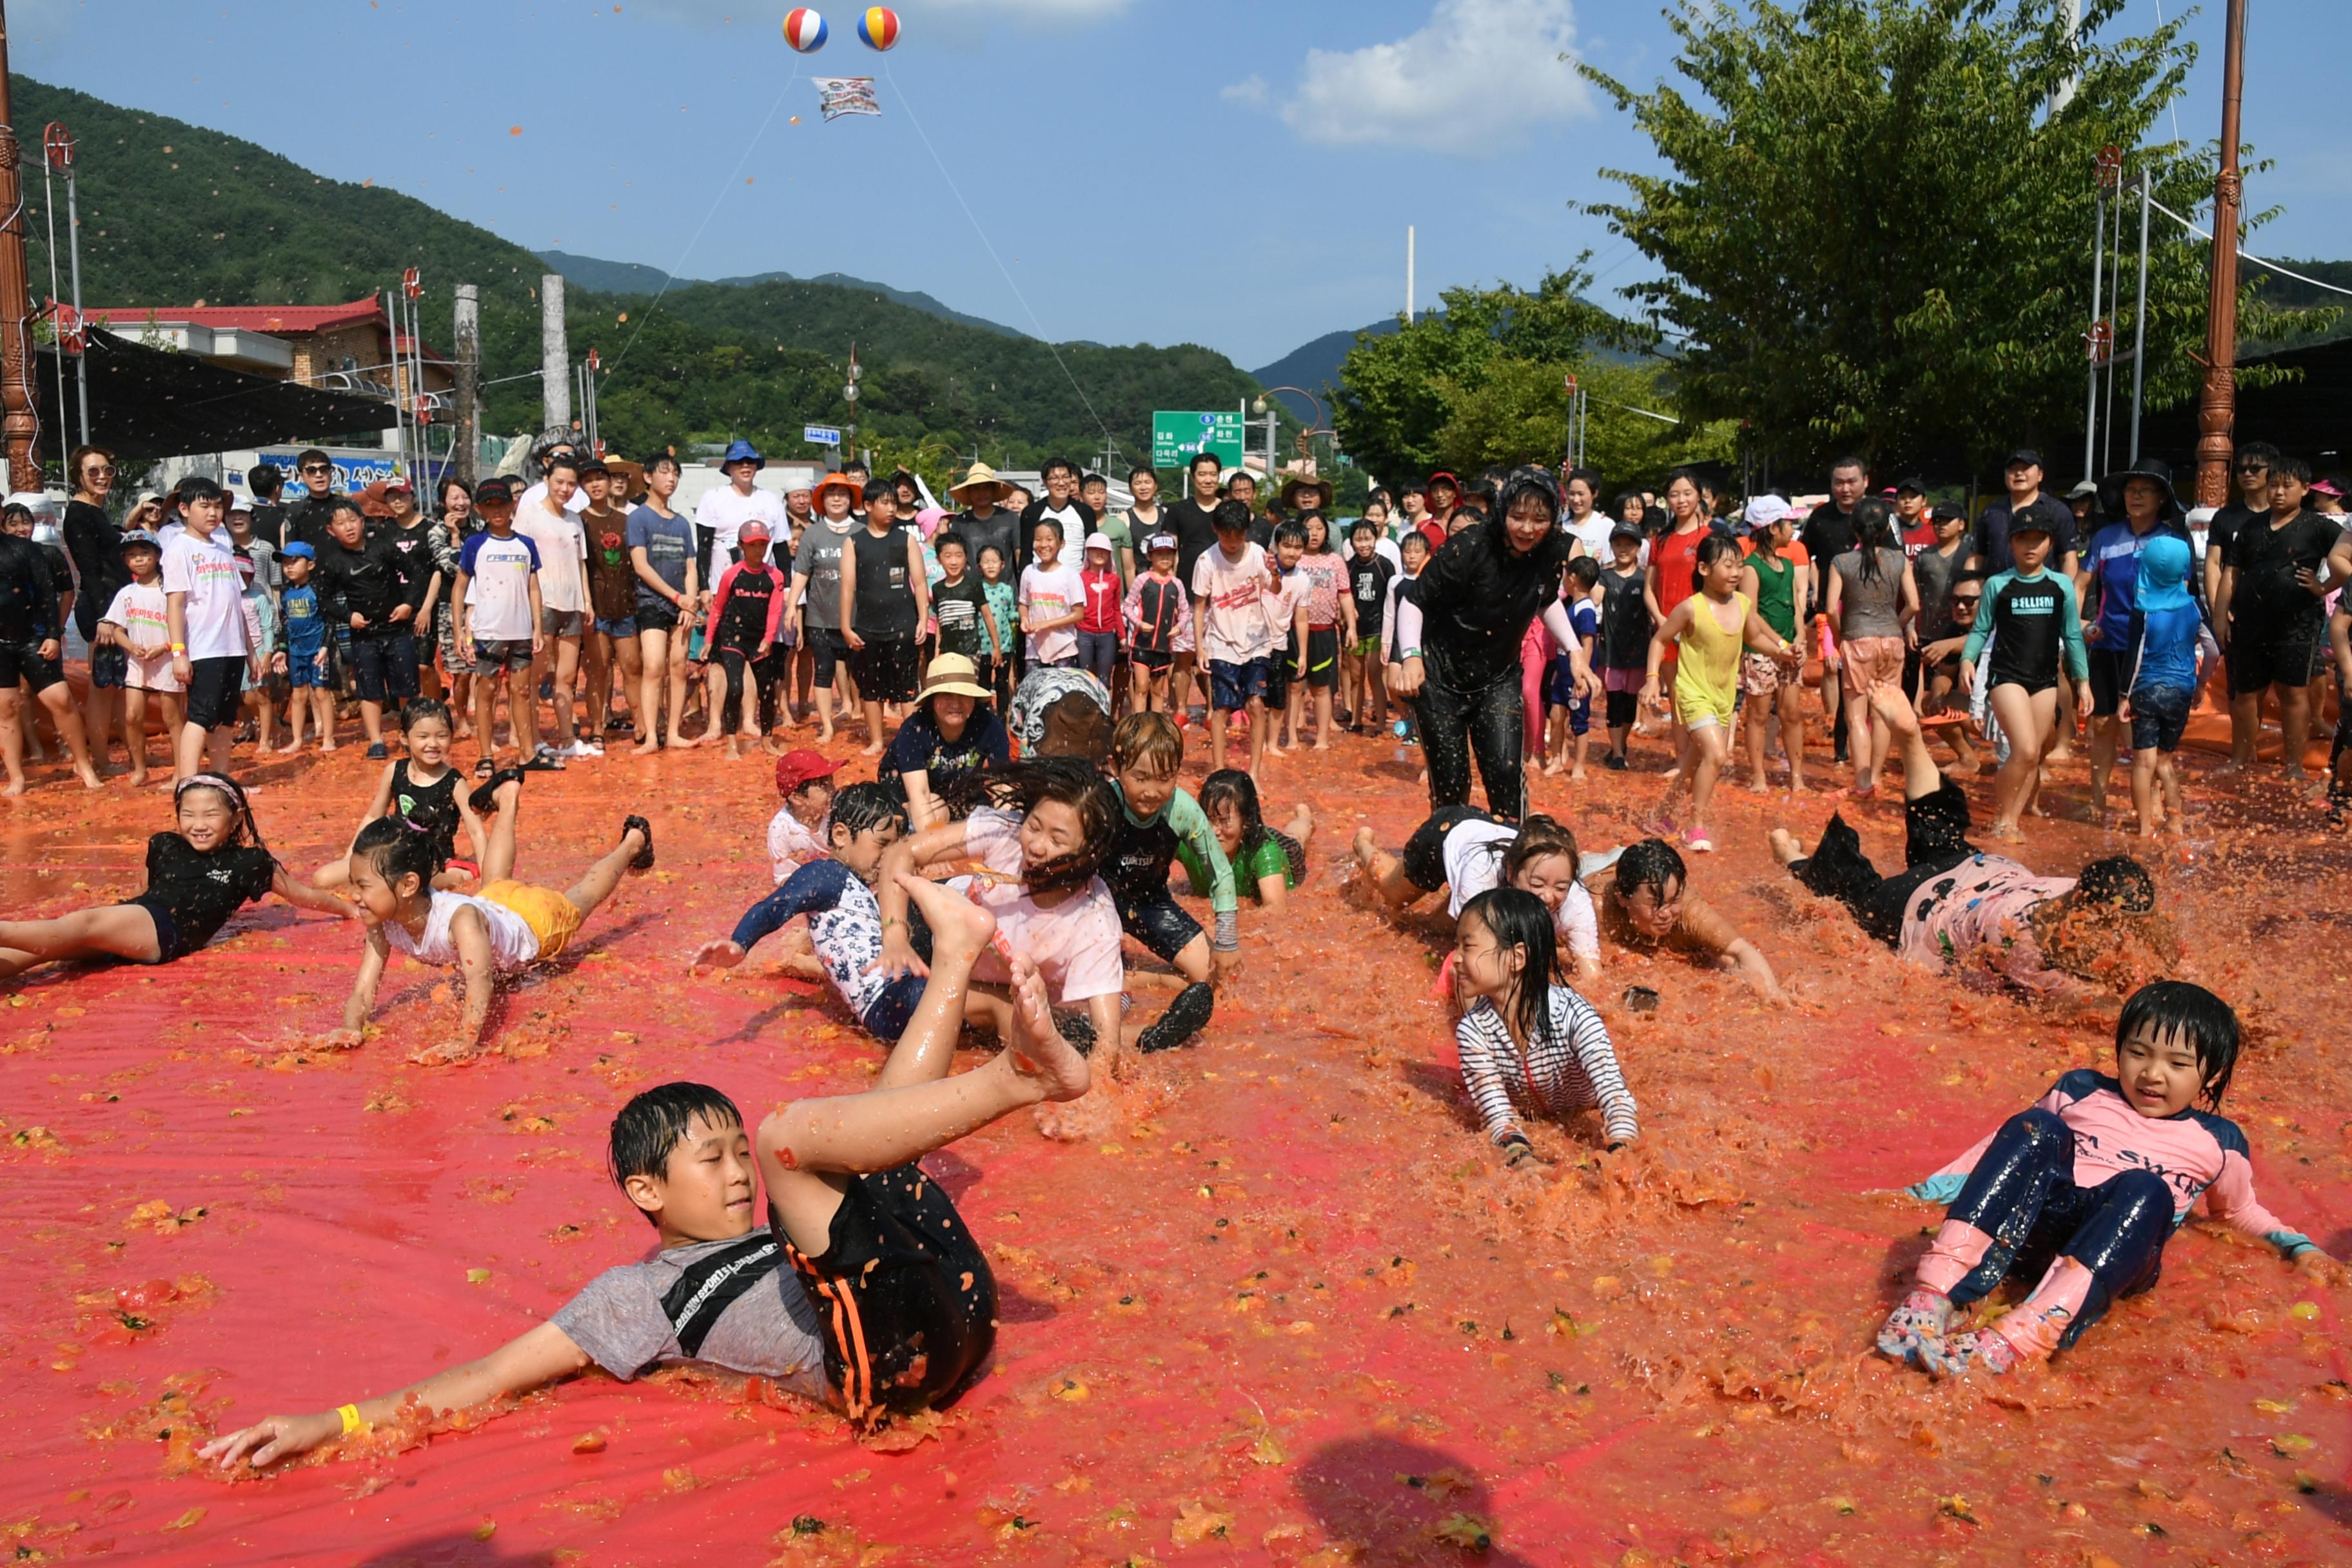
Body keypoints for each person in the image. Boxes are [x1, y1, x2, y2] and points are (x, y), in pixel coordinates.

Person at [204, 882, 1090, 1471]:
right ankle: (1018, 1078)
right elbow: (486, 1377)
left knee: (865, 1142)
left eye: (738, 1156)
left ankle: (959, 954)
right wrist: (338, 1423)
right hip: (888, 1372)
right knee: (796, 1134)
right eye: (713, 1162)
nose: (742, 1176)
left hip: (956, 1317)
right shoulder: (632, 1297)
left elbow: (863, 1142)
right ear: (646, 1193)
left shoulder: (774, 1229)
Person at [1874, 981, 2331, 1378]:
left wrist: (2300, 1248)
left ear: (2209, 1075)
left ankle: (2026, 1335)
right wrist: (1925, 1191)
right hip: (2034, 1230)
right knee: (2038, 1126)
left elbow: (2239, 1211)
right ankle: (1934, 1295)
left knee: (2146, 1187)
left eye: (2177, 1064)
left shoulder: (2219, 1141)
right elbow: (2007, 1147)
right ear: (2119, 1051)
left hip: (2117, 1256)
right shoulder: (2081, 1089)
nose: (2152, 1074)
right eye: (2138, 1054)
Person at [1773, 686, 2172, 1002]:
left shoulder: (2080, 895)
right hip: (1924, 907)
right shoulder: (2032, 952)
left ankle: (1912, 740)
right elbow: (2104, 1009)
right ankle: (1793, 857)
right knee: (1857, 897)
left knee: (1941, 836)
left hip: (1988, 872)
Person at [335, 778, 653, 1064]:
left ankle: (632, 843)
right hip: (493, 902)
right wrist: (350, 1029)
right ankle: (508, 797)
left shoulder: (460, 920)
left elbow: (479, 981)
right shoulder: (382, 922)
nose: (354, 895)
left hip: (538, 924)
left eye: (362, 886)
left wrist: (464, 1040)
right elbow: (363, 993)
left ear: (408, 885)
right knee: (495, 879)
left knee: (582, 897)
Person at [872, 758, 1127, 1055]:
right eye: (1034, 826)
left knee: (1048, 1035)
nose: (1037, 846)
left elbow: (1107, 1051)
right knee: (892, 1008)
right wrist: (895, 935)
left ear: (1088, 854)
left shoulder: (1096, 922)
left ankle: (1136, 1025)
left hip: (1001, 992)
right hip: (930, 933)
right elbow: (901, 853)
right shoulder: (1005, 832)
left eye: (1057, 840)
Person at [1388, 467, 1594, 821]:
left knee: (1506, 777)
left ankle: (1512, 864)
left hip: (1498, 680)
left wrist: (1575, 652)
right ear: (1502, 513)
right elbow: (1413, 600)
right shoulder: (1469, 546)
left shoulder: (1550, 552)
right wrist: (1410, 657)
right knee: (1451, 787)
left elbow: (1545, 600)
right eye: (1518, 517)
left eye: (1539, 519)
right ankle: (1449, 865)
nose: (1528, 529)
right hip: (1440, 681)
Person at [0, 774, 351, 977]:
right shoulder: (165, 844)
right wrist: (122, 918)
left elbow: (302, 895)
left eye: (211, 815)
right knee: (47, 953)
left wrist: (349, 910)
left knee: (80, 925)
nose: (198, 825)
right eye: (189, 815)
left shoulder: (251, 862)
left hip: (167, 933)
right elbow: (144, 890)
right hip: (139, 920)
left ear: (236, 817)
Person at [695, 782, 933, 1041]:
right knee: (963, 996)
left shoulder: (861, 889)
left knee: (980, 1002)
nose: (890, 858)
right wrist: (740, 943)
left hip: (898, 999)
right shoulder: (827, 874)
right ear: (841, 835)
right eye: (883, 844)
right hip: (891, 1002)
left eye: (896, 848)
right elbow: (776, 907)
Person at [1451, 888, 1637, 1168]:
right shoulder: (1473, 1030)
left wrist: (1619, 1155)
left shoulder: (1575, 1017)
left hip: (1582, 1106)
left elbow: (1614, 1095)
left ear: (1516, 957)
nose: (1455, 958)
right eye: (1457, 946)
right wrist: (1522, 1161)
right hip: (1529, 1114)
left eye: (1468, 946)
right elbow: (1498, 1117)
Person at [1641, 535, 1802, 853]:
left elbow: (1754, 636)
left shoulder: (1742, 605)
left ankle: (1660, 815)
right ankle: (1695, 825)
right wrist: (1651, 679)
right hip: (1692, 693)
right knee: (1717, 754)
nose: (1736, 573)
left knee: (1694, 763)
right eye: (1728, 565)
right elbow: (1660, 640)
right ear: (1703, 568)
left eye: (1739, 565)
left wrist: (1782, 653)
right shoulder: (1690, 608)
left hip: (1723, 696)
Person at [1099, 713, 1237, 1053]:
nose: (1151, 791)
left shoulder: (1182, 810)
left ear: (1177, 773)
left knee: (1215, 979)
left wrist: (1228, 940)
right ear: (1117, 768)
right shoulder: (1101, 805)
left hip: (1149, 902)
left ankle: (1151, 977)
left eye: (1164, 779)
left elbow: (1221, 873)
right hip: (1097, 905)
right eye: (1141, 777)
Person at [1353, 807, 1603, 986]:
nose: (1549, 897)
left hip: (1499, 837)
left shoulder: (1576, 901)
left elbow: (1593, 979)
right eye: (1537, 884)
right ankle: (1363, 844)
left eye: (1561, 886)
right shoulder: (1482, 873)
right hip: (1448, 832)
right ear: (1511, 872)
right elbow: (1475, 959)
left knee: (1429, 927)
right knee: (1393, 894)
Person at [2215, 455, 2351, 781]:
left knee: (2294, 694)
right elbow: (2231, 572)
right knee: (2247, 694)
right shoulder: (2251, 527)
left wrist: (2324, 586)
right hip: (2249, 622)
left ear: (2305, 489)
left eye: (2287, 486)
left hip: (2297, 625)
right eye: (2274, 485)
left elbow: (2345, 556)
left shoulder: (2319, 526)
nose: (2278, 492)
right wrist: (2221, 615)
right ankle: (2241, 758)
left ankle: (2294, 765)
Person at [1960, 513, 2090, 841]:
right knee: (2025, 749)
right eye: (2023, 539)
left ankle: (2012, 820)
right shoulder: (1998, 584)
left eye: (2038, 539)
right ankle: (2002, 819)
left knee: (2035, 754)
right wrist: (1967, 660)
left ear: (2050, 544)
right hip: (2007, 677)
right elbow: (1980, 628)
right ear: (2011, 543)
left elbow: (2072, 635)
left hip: (2045, 680)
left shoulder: (2061, 586)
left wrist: (2083, 682)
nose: (2030, 546)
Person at [2079, 458, 2187, 821]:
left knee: (2145, 731)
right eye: (2130, 489)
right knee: (2103, 724)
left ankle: (2153, 804)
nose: (2136, 496)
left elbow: (2183, 597)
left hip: (2152, 654)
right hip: (2109, 645)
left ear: (2161, 499)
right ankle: (2098, 801)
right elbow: (2081, 585)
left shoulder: (2173, 543)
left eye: (2146, 490)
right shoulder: (2105, 539)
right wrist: (2077, 627)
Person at [311, 698, 485, 892]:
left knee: (424, 882)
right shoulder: (395, 772)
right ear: (404, 738)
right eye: (423, 737)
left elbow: (476, 830)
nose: (433, 744)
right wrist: (351, 855)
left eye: (442, 736)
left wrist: (489, 875)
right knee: (322, 879)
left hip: (436, 862)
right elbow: (373, 816)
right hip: (396, 853)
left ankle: (461, 874)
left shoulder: (454, 782)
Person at [1592, 838, 1786, 1003]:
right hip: (1597, 867)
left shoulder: (1689, 911)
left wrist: (1771, 995)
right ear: (1622, 898)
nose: (1666, 913)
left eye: (1674, 900)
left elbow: (1741, 951)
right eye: (1655, 904)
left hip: (1640, 866)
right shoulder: (1595, 909)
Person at [314, 496, 429, 761]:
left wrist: (408, 605)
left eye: (353, 520)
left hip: (397, 628)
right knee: (369, 689)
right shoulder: (333, 562)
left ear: (363, 521)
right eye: (341, 524)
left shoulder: (383, 548)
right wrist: (347, 615)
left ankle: (410, 734)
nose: (349, 527)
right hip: (363, 633)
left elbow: (417, 573)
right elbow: (324, 600)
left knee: (408, 688)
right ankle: (376, 740)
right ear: (332, 531)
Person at [1, 503, 103, 793]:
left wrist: (53, 635)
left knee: (60, 699)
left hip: (33, 636)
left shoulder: (24, 549)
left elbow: (48, 591)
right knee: (5, 708)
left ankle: (82, 763)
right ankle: (16, 777)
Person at [1822, 497, 1919, 797]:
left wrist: (1840, 638)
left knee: (1855, 716)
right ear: (1884, 529)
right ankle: (1875, 777)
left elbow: (1831, 610)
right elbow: (1914, 605)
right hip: (1892, 641)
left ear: (1853, 527)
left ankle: (1862, 784)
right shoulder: (1900, 560)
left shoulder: (1842, 562)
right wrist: (1898, 625)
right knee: (1881, 714)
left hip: (1857, 639)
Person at [158, 478, 251, 783]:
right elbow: (175, 605)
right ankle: (187, 781)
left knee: (225, 719)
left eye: (217, 506)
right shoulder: (178, 549)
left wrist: (251, 653)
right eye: (204, 506)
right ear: (184, 509)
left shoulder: (225, 550)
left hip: (232, 647)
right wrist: (178, 652)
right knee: (201, 716)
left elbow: (238, 605)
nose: (213, 513)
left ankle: (221, 780)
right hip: (203, 648)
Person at [453, 478, 548, 776]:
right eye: (490, 506)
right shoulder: (475, 544)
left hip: (520, 630)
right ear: (480, 510)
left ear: (512, 506)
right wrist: (459, 630)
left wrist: (538, 627)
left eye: (503, 504)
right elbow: (459, 588)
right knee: (487, 690)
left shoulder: (526, 544)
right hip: (487, 631)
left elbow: (533, 587)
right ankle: (485, 755)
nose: (498, 511)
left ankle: (527, 753)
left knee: (521, 691)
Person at [838, 477, 930, 757]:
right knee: (870, 689)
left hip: (902, 623)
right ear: (868, 506)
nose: (891, 509)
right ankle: (877, 741)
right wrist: (845, 626)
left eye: (893, 503)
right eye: (885, 503)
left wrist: (923, 619)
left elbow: (921, 583)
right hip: (867, 626)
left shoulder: (906, 540)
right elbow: (847, 587)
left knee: (906, 686)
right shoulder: (854, 542)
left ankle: (911, 740)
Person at [2121, 535, 2203, 838]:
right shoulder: (2194, 608)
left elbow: (2135, 656)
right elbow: (2213, 649)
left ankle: (2143, 828)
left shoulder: (2143, 610)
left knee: (2143, 763)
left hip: (2146, 691)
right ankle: (2176, 823)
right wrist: (2203, 682)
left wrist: (2123, 697)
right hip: (2180, 693)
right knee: (2165, 762)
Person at [515, 455, 594, 761]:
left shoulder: (575, 520)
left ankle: (567, 739)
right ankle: (532, 739)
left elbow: (581, 564)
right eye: (559, 482)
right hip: (543, 603)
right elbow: (520, 559)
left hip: (571, 603)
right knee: (534, 679)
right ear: (546, 480)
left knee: (566, 677)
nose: (565, 489)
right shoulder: (529, 514)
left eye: (572, 484)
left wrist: (586, 601)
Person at [1191, 498, 1277, 778]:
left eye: (1238, 536)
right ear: (1216, 530)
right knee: (1222, 708)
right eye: (1226, 535)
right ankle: (1218, 771)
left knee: (1256, 704)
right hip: (1221, 642)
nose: (1232, 542)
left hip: (1256, 641)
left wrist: (1276, 572)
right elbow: (1200, 606)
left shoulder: (1258, 554)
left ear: (1247, 531)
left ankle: (1253, 773)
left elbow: (1274, 588)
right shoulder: (1206, 561)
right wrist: (1200, 647)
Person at [625, 453, 701, 753]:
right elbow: (641, 566)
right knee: (655, 665)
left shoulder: (682, 522)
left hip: (682, 605)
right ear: (647, 477)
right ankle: (651, 737)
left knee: (679, 666)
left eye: (675, 474)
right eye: (664, 473)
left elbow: (691, 566)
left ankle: (673, 732)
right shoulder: (639, 518)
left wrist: (690, 603)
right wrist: (676, 597)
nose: (671, 479)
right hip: (652, 602)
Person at [64, 444, 133, 772]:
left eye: (107, 470)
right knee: (102, 689)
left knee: (118, 686)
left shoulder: (95, 510)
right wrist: (107, 617)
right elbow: (89, 570)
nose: (102, 476)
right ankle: (100, 761)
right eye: (93, 471)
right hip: (100, 609)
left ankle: (129, 755)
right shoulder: (79, 514)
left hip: (111, 606)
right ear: (78, 476)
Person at [880, 654, 1010, 828]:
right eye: (947, 695)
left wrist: (1009, 834)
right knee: (936, 811)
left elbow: (1003, 785)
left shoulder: (989, 726)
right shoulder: (914, 729)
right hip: (909, 792)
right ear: (932, 700)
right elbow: (920, 794)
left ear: (974, 699)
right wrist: (929, 846)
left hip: (958, 790)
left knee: (987, 817)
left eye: (964, 695)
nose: (956, 703)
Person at [1735, 497, 1811, 792]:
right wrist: (1779, 643)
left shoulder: (1789, 566)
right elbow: (1751, 612)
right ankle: (1758, 776)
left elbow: (1796, 608)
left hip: (1789, 651)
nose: (1792, 528)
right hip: (1761, 652)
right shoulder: (1751, 568)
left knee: (1792, 713)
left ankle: (1798, 777)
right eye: (1788, 523)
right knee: (1758, 715)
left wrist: (1801, 639)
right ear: (1771, 529)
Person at [95, 530, 180, 785]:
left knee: (172, 717)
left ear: (157, 556)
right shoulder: (126, 593)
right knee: (132, 716)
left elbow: (183, 628)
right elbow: (117, 629)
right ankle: (140, 767)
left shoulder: (170, 591)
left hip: (166, 659)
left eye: (145, 554)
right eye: (132, 556)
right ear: (125, 561)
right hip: (138, 662)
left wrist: (165, 647)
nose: (139, 560)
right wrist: (131, 647)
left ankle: (180, 770)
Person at [705, 522, 790, 760]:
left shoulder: (775, 576)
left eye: (763, 545)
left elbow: (775, 611)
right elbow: (718, 608)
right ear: (741, 546)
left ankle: (766, 739)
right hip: (734, 637)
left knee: (767, 692)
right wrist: (709, 640)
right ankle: (732, 741)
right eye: (752, 545)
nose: (758, 550)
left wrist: (769, 639)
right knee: (735, 687)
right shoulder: (731, 575)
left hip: (759, 639)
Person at [788, 473, 862, 743]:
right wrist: (790, 607)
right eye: (831, 494)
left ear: (851, 499)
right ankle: (828, 726)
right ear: (822, 500)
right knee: (823, 671)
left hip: (856, 617)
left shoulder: (861, 532)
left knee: (861, 673)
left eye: (843, 494)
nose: (837, 499)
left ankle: (862, 720)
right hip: (819, 616)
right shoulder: (813, 534)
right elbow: (802, 574)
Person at [578, 460, 641, 743]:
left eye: (599, 479)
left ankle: (641, 724)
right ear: (583, 486)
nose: (595, 485)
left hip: (625, 603)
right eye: (588, 480)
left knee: (632, 667)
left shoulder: (626, 521)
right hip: (597, 606)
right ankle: (598, 727)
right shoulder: (579, 521)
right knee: (598, 670)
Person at [1594, 522, 1651, 771]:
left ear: (1638, 547)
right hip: (1612, 649)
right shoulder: (1605, 576)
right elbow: (1594, 599)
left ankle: (1621, 744)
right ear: (1612, 546)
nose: (1623, 549)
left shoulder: (1646, 577)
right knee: (1614, 701)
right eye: (1618, 544)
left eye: (1629, 544)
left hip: (1639, 650)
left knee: (1630, 704)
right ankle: (1618, 753)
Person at [426, 478, 479, 737]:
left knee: (486, 666)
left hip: (484, 604)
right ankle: (462, 718)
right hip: (452, 608)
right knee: (461, 671)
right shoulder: (437, 533)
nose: (460, 503)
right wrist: (456, 537)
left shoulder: (482, 527)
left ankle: (482, 714)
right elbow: (455, 568)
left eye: (464, 497)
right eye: (454, 498)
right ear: (443, 503)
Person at [1545, 555, 1603, 779]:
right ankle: (1557, 759)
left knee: (1579, 722)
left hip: (1577, 679)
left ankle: (1578, 764)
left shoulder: (1586, 610)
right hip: (1563, 674)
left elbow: (1588, 644)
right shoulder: (1573, 606)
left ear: (1573, 579)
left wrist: (1583, 677)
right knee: (1556, 716)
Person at [273, 543, 333, 754]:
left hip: (318, 650)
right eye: (285, 563)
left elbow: (330, 620)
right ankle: (297, 739)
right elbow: (285, 623)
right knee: (298, 694)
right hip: (296, 651)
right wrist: (281, 649)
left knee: (321, 692)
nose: (289, 567)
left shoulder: (318, 588)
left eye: (294, 561)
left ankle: (329, 737)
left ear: (311, 564)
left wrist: (326, 647)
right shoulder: (286, 591)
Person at [928, 528, 1002, 690]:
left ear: (966, 557)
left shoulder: (973, 585)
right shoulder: (938, 589)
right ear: (938, 559)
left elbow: (987, 615)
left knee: (968, 689)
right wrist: (936, 652)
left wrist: (996, 647)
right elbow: (940, 623)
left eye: (959, 556)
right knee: (949, 689)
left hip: (971, 651)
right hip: (947, 652)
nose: (954, 562)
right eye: (948, 556)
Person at [1124, 532, 1187, 716]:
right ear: (1150, 556)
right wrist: (1139, 623)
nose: (1165, 558)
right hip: (1141, 644)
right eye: (1160, 554)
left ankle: (1156, 727)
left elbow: (1185, 612)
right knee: (1141, 688)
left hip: (1163, 646)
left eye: (1169, 554)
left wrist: (1179, 627)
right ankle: (1139, 724)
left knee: (1158, 690)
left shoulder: (1177, 584)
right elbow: (1127, 606)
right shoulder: (1143, 580)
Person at [1343, 518, 1395, 734]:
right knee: (1356, 677)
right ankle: (1356, 721)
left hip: (1377, 627)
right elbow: (1343, 595)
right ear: (1352, 542)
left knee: (1375, 676)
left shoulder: (1384, 565)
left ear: (1375, 539)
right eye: (1359, 540)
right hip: (1355, 628)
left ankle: (1381, 723)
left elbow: (1393, 595)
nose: (1363, 544)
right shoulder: (1349, 566)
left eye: (1368, 539)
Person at [1018, 518, 1085, 674]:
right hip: (1034, 650)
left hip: (1064, 649)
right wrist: (1024, 619)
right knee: (1036, 694)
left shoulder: (1070, 575)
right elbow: (1023, 603)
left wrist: (1045, 624)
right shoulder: (1029, 572)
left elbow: (1079, 614)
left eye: (1049, 539)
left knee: (1063, 695)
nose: (1043, 545)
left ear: (1062, 543)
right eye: (1038, 540)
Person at [767, 748, 838, 881]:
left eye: (831, 783)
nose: (832, 791)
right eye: (823, 786)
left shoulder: (841, 811)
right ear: (797, 798)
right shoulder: (781, 829)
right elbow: (783, 877)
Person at [1018, 458, 1095, 574]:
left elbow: (1093, 550)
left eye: (1066, 477)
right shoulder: (1032, 512)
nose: (1061, 483)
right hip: (1040, 582)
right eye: (1054, 478)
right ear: (1045, 482)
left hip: (1076, 582)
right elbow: (1026, 554)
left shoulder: (1085, 512)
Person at [946, 462, 1019, 583]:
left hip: (1007, 592)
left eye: (986, 488)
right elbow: (955, 556)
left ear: (994, 490)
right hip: (972, 591)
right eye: (976, 489)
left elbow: (1018, 553)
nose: (982, 493)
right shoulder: (960, 522)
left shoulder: (1010, 518)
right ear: (969, 492)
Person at [1075, 531, 1124, 691]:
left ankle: (1104, 712)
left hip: (1107, 634)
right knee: (1085, 675)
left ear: (1109, 554)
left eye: (1103, 551)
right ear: (1087, 553)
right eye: (1094, 549)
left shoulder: (1115, 579)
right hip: (1084, 633)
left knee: (1105, 679)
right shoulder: (1080, 578)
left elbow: (1117, 609)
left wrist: (1122, 637)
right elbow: (1075, 607)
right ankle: (1086, 712)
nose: (1099, 553)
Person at [976, 544, 1018, 710]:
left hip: (1005, 646)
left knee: (1002, 685)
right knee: (983, 685)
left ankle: (1002, 720)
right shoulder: (977, 590)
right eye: (986, 562)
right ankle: (983, 719)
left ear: (1002, 564)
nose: (991, 565)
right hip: (983, 647)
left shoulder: (1007, 590)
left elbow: (1011, 614)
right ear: (979, 567)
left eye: (994, 561)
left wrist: (1024, 615)